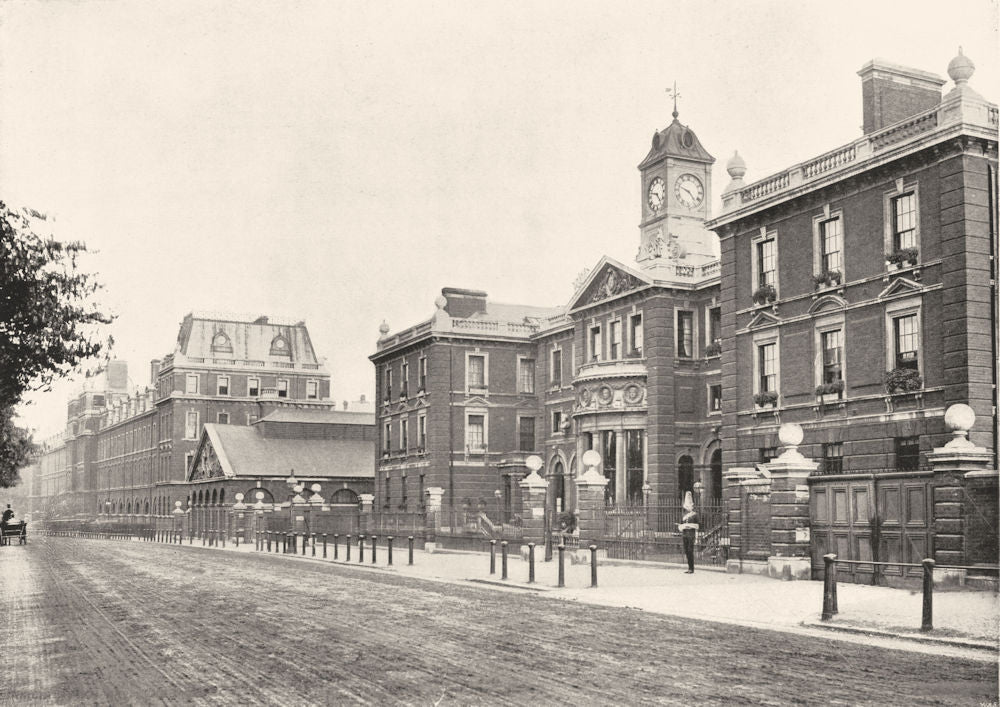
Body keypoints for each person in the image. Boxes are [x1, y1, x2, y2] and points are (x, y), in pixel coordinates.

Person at [677, 492, 699, 574]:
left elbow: (697, 525)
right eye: (687, 506)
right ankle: (689, 567)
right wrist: (682, 526)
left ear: (692, 506)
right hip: (685, 534)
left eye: (689, 505)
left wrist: (688, 525)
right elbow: (680, 526)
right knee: (686, 551)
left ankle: (691, 568)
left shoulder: (695, 515)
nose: (688, 507)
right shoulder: (684, 515)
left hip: (691, 535)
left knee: (690, 551)